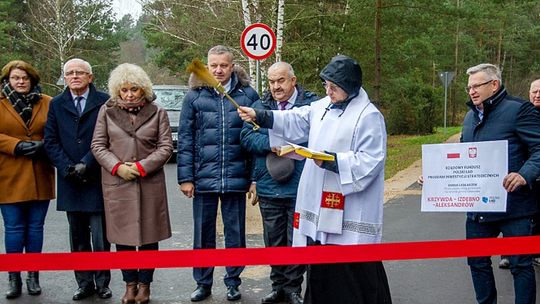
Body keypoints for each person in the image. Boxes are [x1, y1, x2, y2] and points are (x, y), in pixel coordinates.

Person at [238, 54, 392, 304]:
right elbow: (296, 119)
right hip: (320, 200)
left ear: (350, 87)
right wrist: (260, 115)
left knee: (351, 267)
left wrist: (332, 161)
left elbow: (371, 160)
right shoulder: (322, 106)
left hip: (350, 204)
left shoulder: (368, 116)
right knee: (320, 258)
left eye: (334, 87)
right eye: (326, 86)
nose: (328, 91)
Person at [177, 45, 259, 302]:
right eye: (214, 65)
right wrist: (186, 177)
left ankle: (233, 281)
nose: (218, 70)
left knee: (235, 234)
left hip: (237, 177)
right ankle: (203, 282)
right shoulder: (194, 96)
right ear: (207, 66)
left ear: (232, 66)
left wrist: (254, 177)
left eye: (224, 65)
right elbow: (186, 139)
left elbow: (257, 139)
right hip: (203, 179)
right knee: (203, 234)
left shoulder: (247, 95)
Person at [91, 63, 173, 304]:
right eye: (124, 90)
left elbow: (166, 146)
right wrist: (118, 167)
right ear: (117, 90)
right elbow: (98, 145)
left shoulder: (158, 112)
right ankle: (130, 285)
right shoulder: (106, 112)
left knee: (149, 237)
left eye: (134, 89)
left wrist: (141, 167)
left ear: (143, 89)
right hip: (118, 183)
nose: (129, 94)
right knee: (123, 238)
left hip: (149, 183)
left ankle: (145, 285)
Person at [461, 64, 540, 304]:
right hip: (479, 208)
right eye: (469, 88)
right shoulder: (469, 116)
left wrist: (524, 174)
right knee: (477, 261)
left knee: (520, 264)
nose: (472, 91)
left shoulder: (519, 110)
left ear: (494, 85)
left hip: (515, 206)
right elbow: (462, 156)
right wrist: (433, 178)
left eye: (477, 86)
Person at [240, 62, 317, 304]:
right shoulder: (259, 106)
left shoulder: (311, 106)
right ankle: (278, 288)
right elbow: (246, 137)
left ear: (293, 81)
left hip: (301, 185)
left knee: (297, 239)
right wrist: (270, 144)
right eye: (272, 82)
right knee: (273, 240)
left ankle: (293, 289)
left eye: (281, 81)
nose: (276, 86)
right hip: (269, 184)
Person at [44, 58, 112, 301]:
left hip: (96, 176)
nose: (74, 77)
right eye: (69, 73)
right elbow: (50, 140)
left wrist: (88, 162)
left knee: (100, 236)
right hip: (70, 179)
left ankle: (103, 282)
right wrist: (67, 167)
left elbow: (108, 136)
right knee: (78, 236)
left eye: (79, 73)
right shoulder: (56, 104)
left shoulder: (104, 101)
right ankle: (84, 283)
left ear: (90, 77)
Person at [0, 60, 55, 299]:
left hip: (39, 172)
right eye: (15, 78)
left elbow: (56, 130)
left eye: (24, 78)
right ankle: (14, 277)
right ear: (7, 80)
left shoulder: (47, 102)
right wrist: (16, 145)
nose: (20, 82)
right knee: (13, 228)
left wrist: (45, 145)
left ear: (32, 79)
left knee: (35, 228)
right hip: (8, 173)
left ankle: (33, 276)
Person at [529, 78, 540, 267]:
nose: (537, 95)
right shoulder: (521, 114)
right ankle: (510, 252)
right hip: (524, 174)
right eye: (534, 92)